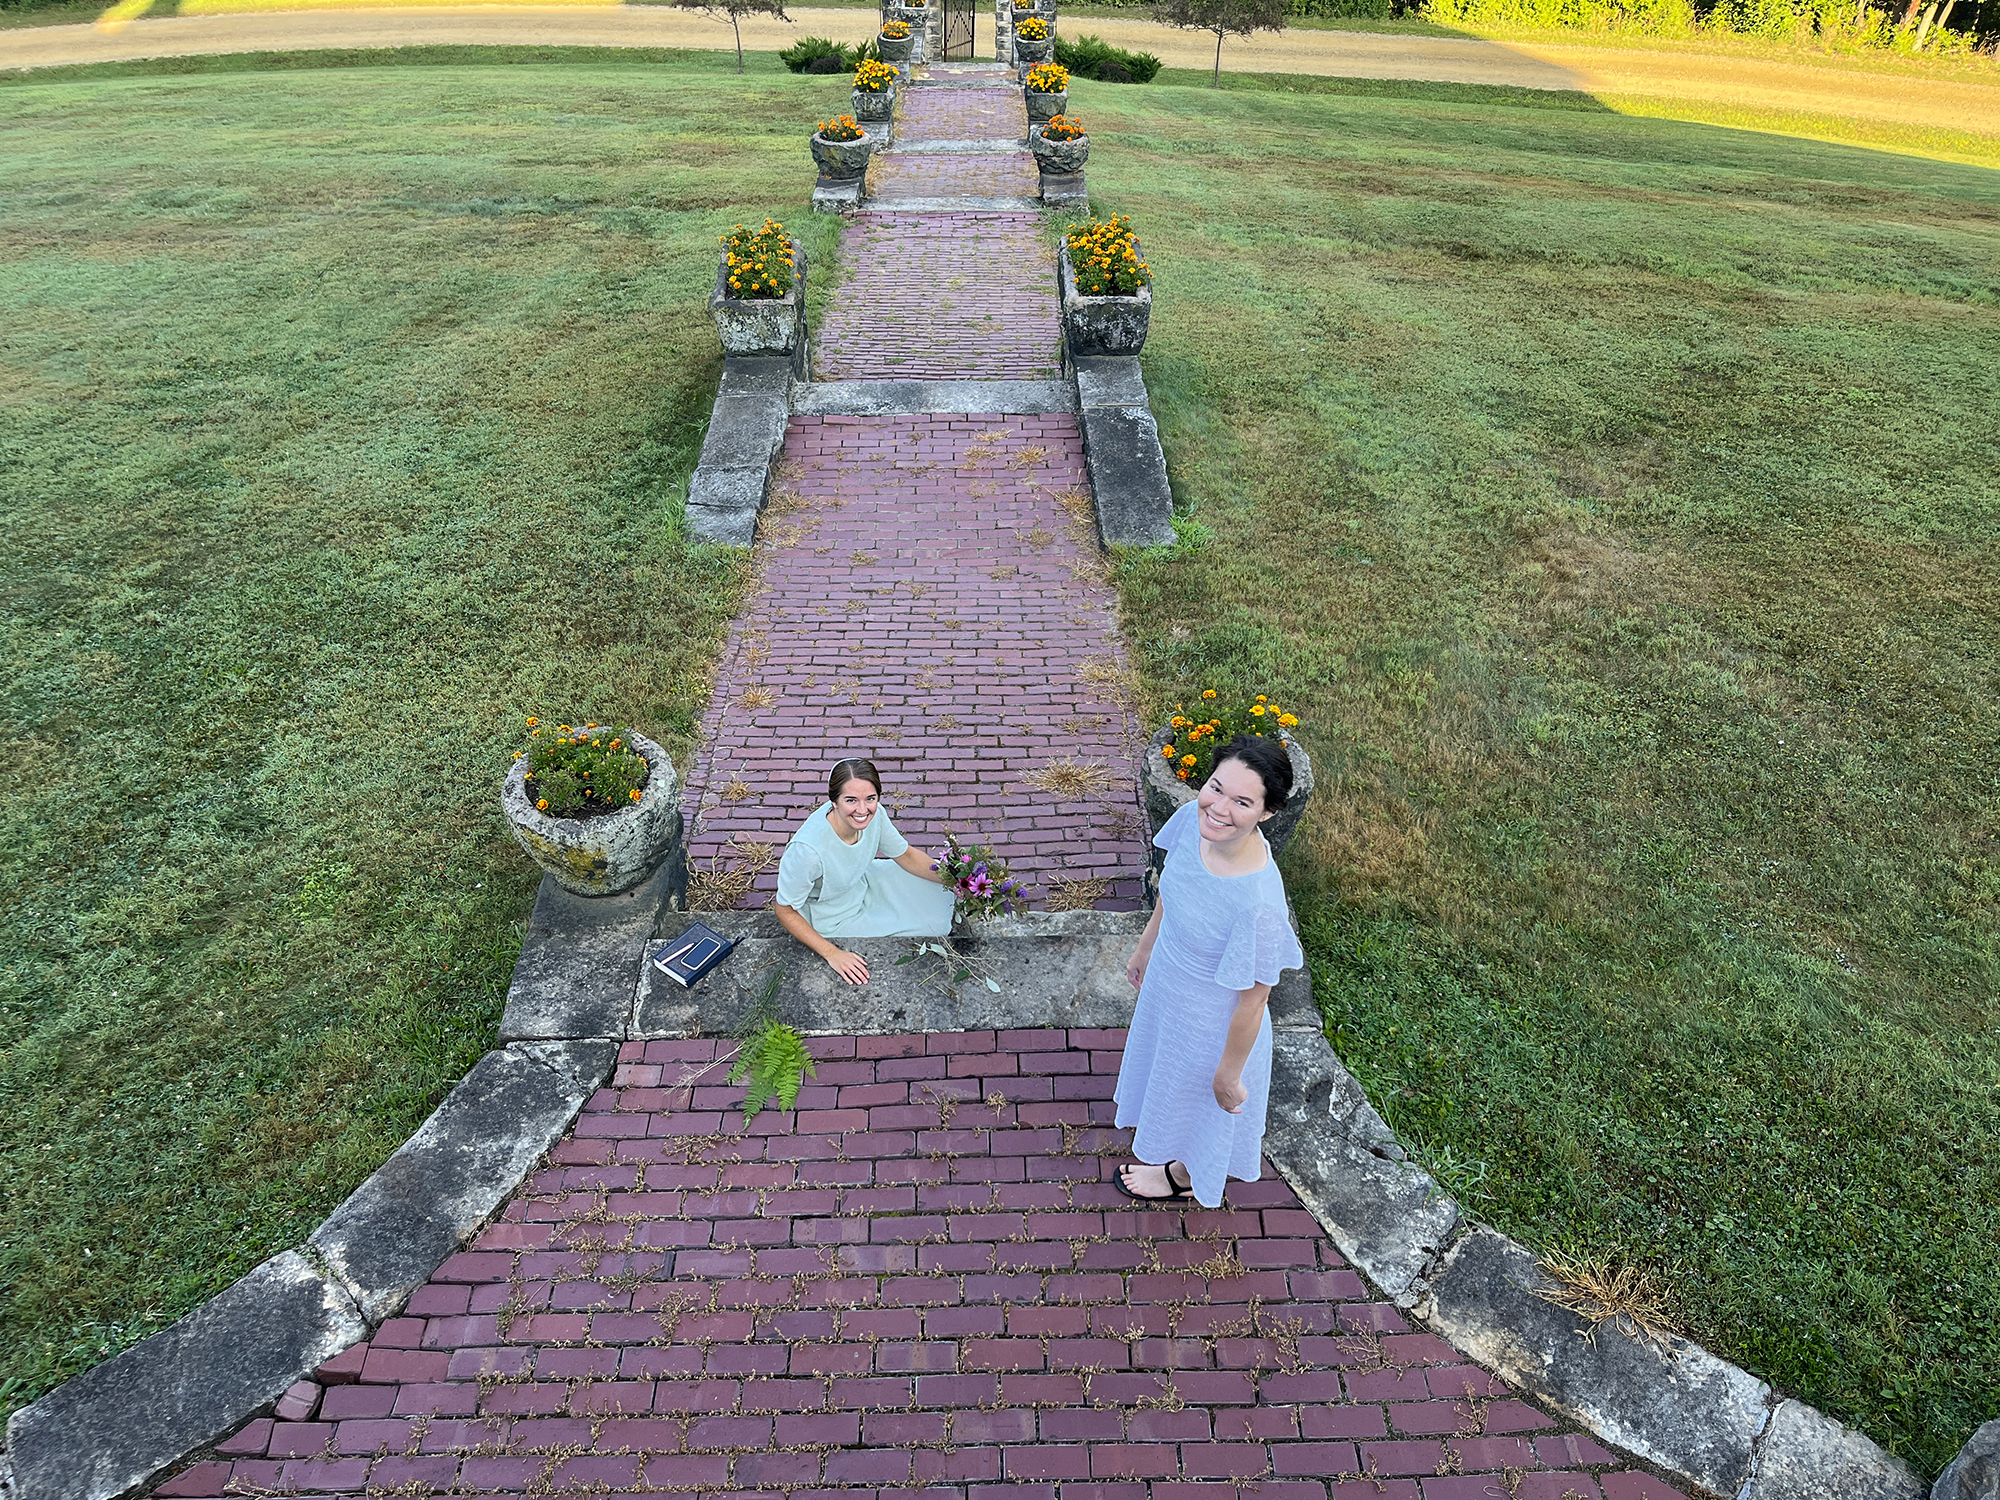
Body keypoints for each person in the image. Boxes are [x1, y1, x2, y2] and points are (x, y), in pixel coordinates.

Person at [1113, 734, 1304, 1207]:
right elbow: (1172, 892)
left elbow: (1255, 999)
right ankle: (1174, 1155)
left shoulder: (1257, 904)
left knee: (1199, 1100)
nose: (1218, 807)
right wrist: (1145, 948)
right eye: (1216, 788)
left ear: (1268, 813)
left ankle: (1184, 1173)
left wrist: (1229, 1074)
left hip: (1212, 1023)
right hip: (1168, 990)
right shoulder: (1192, 822)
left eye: (1243, 801)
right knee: (1167, 1080)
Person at [774, 758, 955, 985]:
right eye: (851, 800)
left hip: (862, 879)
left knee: (942, 894)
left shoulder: (875, 814)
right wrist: (833, 954)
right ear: (834, 802)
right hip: (832, 915)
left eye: (870, 798)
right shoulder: (807, 852)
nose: (862, 810)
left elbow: (905, 855)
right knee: (934, 925)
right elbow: (784, 909)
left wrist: (953, 879)